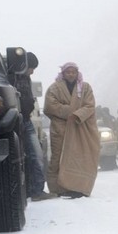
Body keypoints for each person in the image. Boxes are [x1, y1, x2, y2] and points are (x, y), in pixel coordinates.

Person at [43, 62, 101, 198]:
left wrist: (77, 115)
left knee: (79, 157)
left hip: (79, 127)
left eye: (73, 72)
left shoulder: (85, 88)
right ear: (63, 73)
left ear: (77, 73)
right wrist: (70, 112)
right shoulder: (54, 88)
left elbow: (90, 106)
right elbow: (50, 107)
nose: (71, 74)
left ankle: (78, 187)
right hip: (60, 129)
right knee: (58, 157)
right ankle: (57, 188)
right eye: (68, 72)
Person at [8, 51, 49, 200]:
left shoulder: (25, 78)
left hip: (24, 119)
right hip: (18, 120)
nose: (32, 71)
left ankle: (35, 189)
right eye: (32, 67)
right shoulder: (11, 77)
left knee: (34, 155)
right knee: (32, 156)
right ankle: (34, 190)